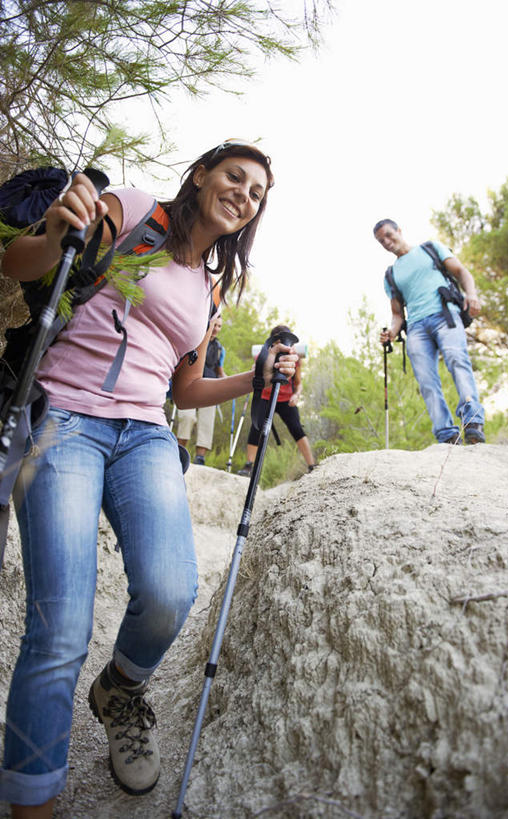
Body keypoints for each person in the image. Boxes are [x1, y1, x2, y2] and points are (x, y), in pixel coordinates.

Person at [0, 140, 298, 818]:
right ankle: (32, 801)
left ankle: (120, 688)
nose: (244, 195)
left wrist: (257, 377)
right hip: (65, 418)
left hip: (145, 435)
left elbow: (184, 387)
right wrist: (52, 231)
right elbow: (18, 262)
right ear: (201, 174)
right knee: (60, 627)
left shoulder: (209, 288)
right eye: (235, 177)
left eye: (256, 193)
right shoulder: (134, 212)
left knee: (169, 591)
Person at [374, 218, 485, 445]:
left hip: (445, 315)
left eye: (388, 235)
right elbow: (397, 314)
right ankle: (447, 434)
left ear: (399, 230)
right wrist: (392, 333)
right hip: (416, 328)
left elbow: (461, 271)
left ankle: (472, 421)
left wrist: (471, 294)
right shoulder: (391, 274)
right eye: (380, 240)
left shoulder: (430, 249)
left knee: (457, 360)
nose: (386, 241)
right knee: (426, 381)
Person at [238, 324, 317, 476]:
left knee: (296, 428)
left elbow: (298, 383)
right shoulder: (261, 356)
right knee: (256, 426)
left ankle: (312, 465)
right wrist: (259, 363)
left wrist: (297, 395)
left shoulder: (295, 359)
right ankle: (249, 465)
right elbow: (254, 375)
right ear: (272, 342)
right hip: (265, 397)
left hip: (286, 398)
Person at [174, 313, 226, 465]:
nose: (216, 328)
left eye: (219, 326)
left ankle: (200, 458)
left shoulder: (219, 349)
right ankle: (179, 451)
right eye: (215, 324)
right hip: (189, 383)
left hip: (210, 384)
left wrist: (228, 382)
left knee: (206, 421)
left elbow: (220, 370)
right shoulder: (195, 338)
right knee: (187, 417)